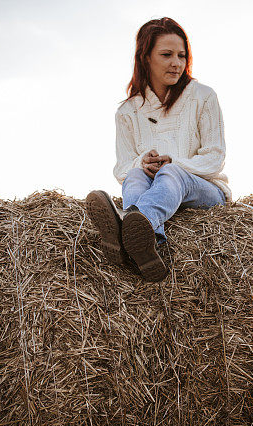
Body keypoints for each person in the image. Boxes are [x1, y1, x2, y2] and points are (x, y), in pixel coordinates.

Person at [86, 17, 231, 282]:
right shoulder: (127, 111)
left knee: (171, 173)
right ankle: (148, 245)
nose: (176, 63)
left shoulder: (203, 96)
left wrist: (173, 163)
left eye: (181, 55)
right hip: (154, 190)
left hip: (205, 192)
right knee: (135, 175)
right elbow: (122, 168)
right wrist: (142, 162)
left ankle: (132, 225)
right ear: (146, 58)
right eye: (166, 55)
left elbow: (215, 158)